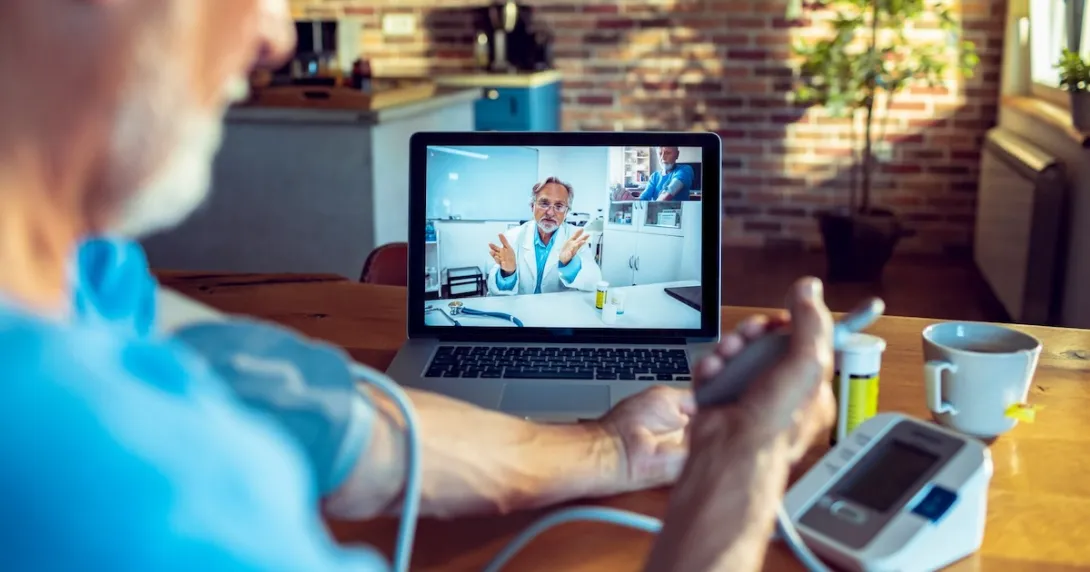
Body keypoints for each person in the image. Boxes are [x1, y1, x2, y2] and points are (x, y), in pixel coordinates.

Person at [0, 2, 836, 571]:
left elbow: (321, 410)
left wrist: (613, 449)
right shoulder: (121, 486)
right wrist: (741, 467)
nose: (276, 33)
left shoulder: (86, 279)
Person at [486, 176, 603, 296]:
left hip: (558, 307)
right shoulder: (512, 237)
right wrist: (508, 273)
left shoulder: (576, 239)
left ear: (566, 212)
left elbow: (594, 282)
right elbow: (494, 292)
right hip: (521, 306)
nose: (550, 212)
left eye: (559, 206)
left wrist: (569, 265)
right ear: (532, 206)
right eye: (544, 204)